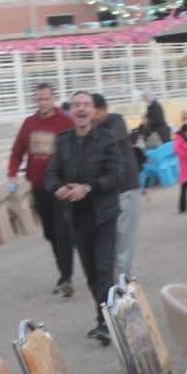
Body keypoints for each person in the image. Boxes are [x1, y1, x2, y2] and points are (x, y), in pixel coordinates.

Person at [43, 90, 121, 344]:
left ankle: (106, 323)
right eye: (76, 105)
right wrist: (57, 188)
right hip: (77, 218)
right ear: (71, 111)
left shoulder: (107, 139)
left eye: (86, 104)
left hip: (104, 216)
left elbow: (116, 176)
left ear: (93, 111)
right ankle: (106, 317)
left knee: (104, 269)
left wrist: (87, 188)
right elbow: (50, 175)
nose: (81, 109)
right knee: (91, 274)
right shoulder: (62, 142)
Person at [8, 83, 75, 297]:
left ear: (53, 99)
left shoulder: (66, 121)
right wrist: (12, 174)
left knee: (62, 231)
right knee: (50, 232)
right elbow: (17, 151)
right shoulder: (29, 124)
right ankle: (64, 270)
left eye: (46, 98)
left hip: (61, 186)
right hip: (38, 187)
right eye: (39, 99)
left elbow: (78, 146)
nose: (43, 103)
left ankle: (66, 277)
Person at [91, 93, 142, 279]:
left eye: (92, 111)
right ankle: (114, 276)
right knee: (110, 236)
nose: (89, 117)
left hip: (126, 187)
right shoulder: (96, 128)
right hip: (109, 191)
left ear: (102, 110)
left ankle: (122, 277)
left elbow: (105, 142)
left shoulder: (115, 123)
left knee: (124, 235)